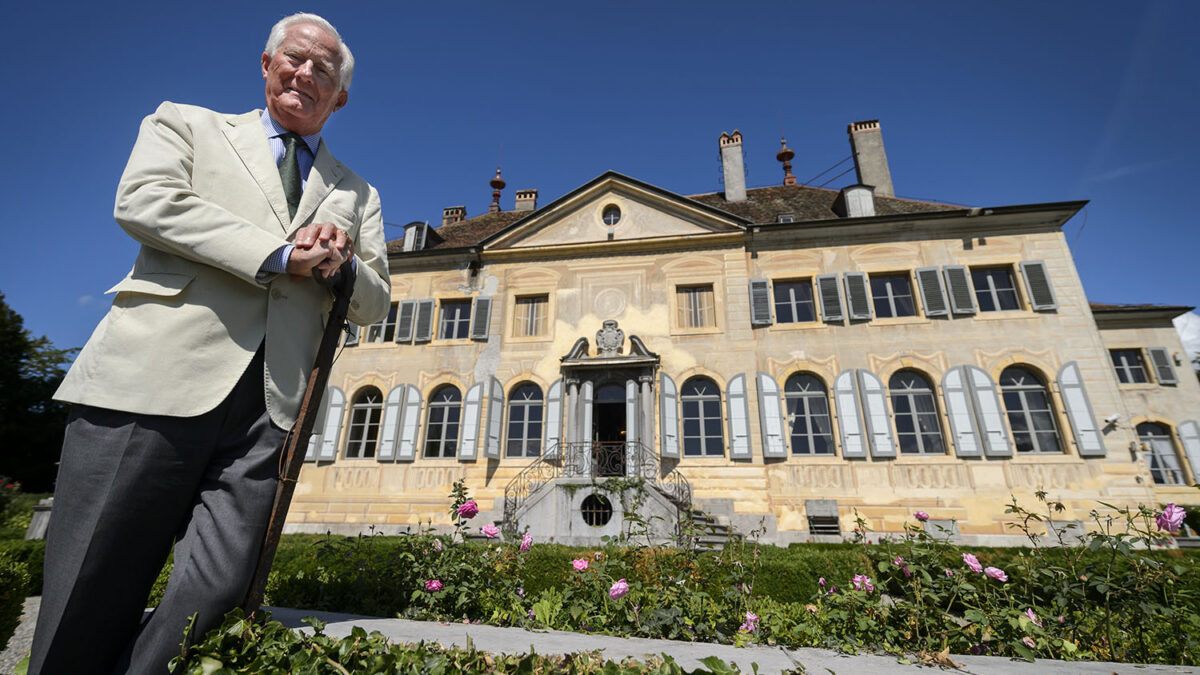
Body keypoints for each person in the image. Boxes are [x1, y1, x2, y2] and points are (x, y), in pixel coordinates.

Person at [28, 13, 391, 674]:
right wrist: (281, 253)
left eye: (325, 69)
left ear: (340, 98)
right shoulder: (185, 124)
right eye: (296, 58)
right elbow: (143, 201)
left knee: (215, 590)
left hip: (270, 408)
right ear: (265, 64)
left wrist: (340, 262)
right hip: (152, 377)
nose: (307, 72)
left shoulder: (357, 194)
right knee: (90, 585)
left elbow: (377, 300)